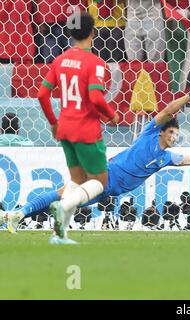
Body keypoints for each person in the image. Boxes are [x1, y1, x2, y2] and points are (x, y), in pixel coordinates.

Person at [1, 77, 190, 241]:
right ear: (162, 132)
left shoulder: (166, 157)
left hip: (108, 190)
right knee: (63, 194)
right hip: (104, 175)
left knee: (64, 203)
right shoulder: (150, 132)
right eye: (171, 133)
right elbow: (169, 111)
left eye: (176, 136)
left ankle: (14, 216)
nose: (174, 137)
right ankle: (20, 214)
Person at [36, 11, 120, 244]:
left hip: (64, 128)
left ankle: (58, 234)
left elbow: (42, 94)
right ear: (93, 32)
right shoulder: (96, 63)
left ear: (70, 33)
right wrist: (112, 116)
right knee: (100, 183)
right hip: (86, 130)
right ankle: (63, 205)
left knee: (78, 180)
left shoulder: (59, 60)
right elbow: (95, 96)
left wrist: (53, 123)